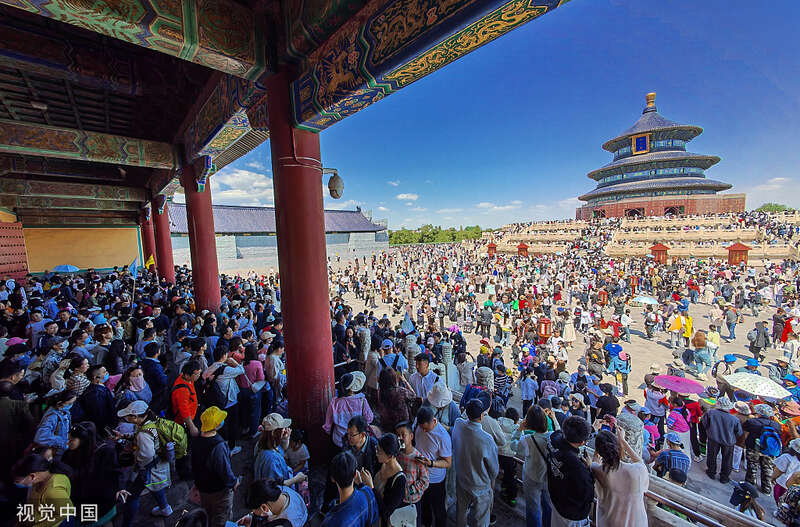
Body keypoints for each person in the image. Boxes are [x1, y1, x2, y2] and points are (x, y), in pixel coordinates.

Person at [116, 400, 173, 525]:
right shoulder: (150, 422)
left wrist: (137, 461)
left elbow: (147, 454)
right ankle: (165, 508)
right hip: (159, 465)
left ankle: (127, 524)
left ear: (135, 417)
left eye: (128, 416)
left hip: (149, 469)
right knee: (156, 487)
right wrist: (123, 436)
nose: (126, 418)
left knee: (132, 496)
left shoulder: (143, 434)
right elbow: (137, 435)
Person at [451, 398, 498, 527]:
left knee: (461, 510)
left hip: (462, 479)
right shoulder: (486, 439)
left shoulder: (458, 424)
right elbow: (494, 470)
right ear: (482, 416)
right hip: (480, 485)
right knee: (481, 519)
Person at [192, 406, 240, 527]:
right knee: (221, 518)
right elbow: (224, 470)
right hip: (219, 491)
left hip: (203, 489)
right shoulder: (218, 446)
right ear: (217, 424)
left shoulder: (197, 440)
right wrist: (234, 483)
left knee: (207, 514)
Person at [591, 429, 648, 527]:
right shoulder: (637, 470)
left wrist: (596, 453)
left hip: (610, 522)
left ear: (599, 451)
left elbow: (594, 462)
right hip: (637, 523)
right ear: (617, 447)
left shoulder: (597, 470)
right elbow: (639, 461)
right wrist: (622, 440)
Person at [546, 415, 594, 527]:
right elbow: (588, 494)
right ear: (582, 442)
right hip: (572, 515)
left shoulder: (553, 439)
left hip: (556, 502)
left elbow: (558, 434)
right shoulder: (578, 467)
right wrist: (590, 467)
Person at [516, 405, 557, 527]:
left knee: (533, 508)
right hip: (549, 478)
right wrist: (554, 419)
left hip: (531, 477)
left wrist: (519, 429)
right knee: (548, 505)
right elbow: (560, 432)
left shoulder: (526, 439)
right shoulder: (553, 437)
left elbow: (514, 446)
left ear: (529, 423)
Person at [357, 433, 409, 527]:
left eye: (379, 452)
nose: (376, 453)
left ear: (390, 456)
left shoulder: (400, 480)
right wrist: (361, 482)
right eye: (377, 449)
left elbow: (385, 512)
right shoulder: (381, 463)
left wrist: (371, 487)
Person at [415, 405, 452, 527]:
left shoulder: (442, 436)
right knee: (424, 507)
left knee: (438, 510)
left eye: (426, 428)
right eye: (421, 428)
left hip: (435, 481)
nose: (424, 431)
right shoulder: (419, 425)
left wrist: (431, 463)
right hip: (420, 477)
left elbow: (448, 463)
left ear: (433, 421)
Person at [12, 454, 74, 527]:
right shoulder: (37, 481)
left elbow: (67, 511)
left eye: (18, 481)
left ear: (32, 476)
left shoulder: (53, 491)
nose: (17, 484)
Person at [321, 451, 379, 527]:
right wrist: (361, 484)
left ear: (333, 479)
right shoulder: (368, 492)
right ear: (355, 475)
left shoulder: (330, 522)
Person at [323, 371, 374, 448]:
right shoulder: (362, 401)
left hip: (338, 440)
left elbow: (327, 426)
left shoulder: (334, 402)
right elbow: (369, 418)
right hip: (356, 440)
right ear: (353, 388)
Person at [254, 413, 307, 487]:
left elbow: (281, 450)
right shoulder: (271, 460)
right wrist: (296, 479)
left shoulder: (264, 442)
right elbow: (274, 486)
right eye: (283, 428)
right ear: (274, 433)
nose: (285, 430)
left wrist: (285, 439)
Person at [701, 395, 742, 484]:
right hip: (729, 441)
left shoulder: (710, 413)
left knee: (712, 455)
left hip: (713, 438)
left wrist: (710, 430)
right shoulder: (734, 419)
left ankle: (711, 472)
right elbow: (739, 432)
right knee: (727, 459)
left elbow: (704, 423)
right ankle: (724, 477)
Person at [395, 421, 429, 524]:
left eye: (403, 435)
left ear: (411, 436)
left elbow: (425, 481)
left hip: (413, 501)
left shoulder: (418, 458)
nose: (400, 438)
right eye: (398, 435)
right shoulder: (397, 455)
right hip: (399, 498)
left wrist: (410, 491)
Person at [743, 403, 781, 493]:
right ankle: (766, 488)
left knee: (752, 466)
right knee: (767, 469)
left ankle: (750, 485)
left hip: (754, 447)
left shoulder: (752, 422)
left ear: (759, 412)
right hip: (768, 450)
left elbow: (745, 428)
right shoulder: (776, 425)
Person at [239, 479, 308, 527]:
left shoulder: (290, 522)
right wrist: (251, 519)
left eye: (255, 511)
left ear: (264, 508)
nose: (252, 513)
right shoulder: (277, 490)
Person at [33, 390, 76, 458]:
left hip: (60, 450)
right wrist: (62, 441)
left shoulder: (64, 411)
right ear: (60, 403)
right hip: (54, 452)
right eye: (69, 403)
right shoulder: (52, 417)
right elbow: (40, 437)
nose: (71, 405)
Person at [171, 360, 201, 436]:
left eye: (199, 373)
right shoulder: (182, 390)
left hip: (192, 415)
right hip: (183, 422)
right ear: (187, 375)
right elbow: (184, 410)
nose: (199, 375)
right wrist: (192, 427)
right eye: (196, 374)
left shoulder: (187, 379)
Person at [772, 438, 800, 504]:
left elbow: (779, 470)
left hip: (781, 483)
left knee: (778, 499)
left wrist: (773, 478)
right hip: (794, 488)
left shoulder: (786, 457)